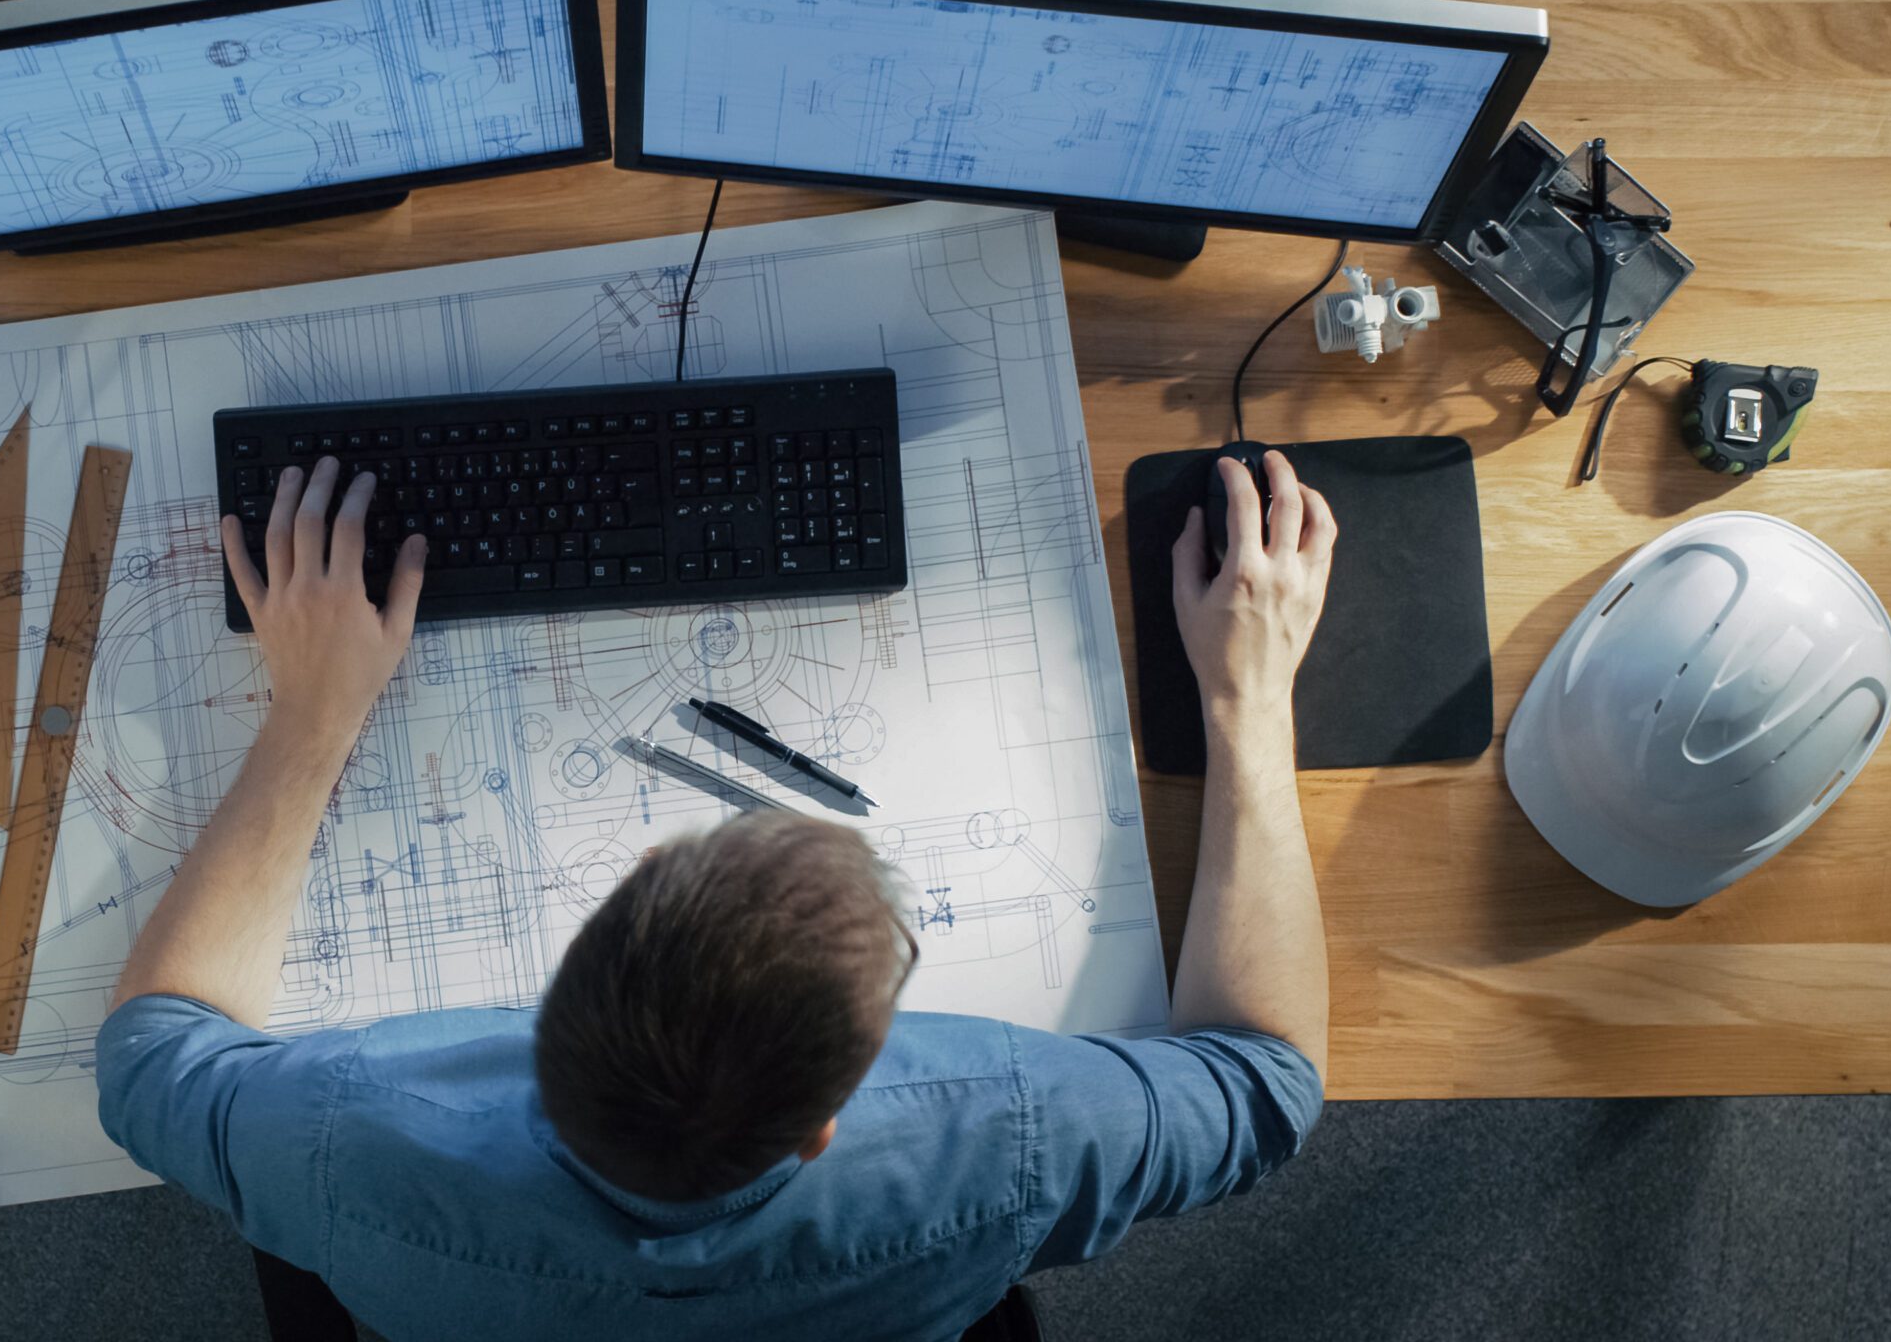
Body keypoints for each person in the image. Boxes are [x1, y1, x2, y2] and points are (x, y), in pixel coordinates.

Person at [99, 449, 1336, 1341]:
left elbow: (150, 1055)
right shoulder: (1003, 1140)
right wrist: (1247, 698)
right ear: (821, 1128)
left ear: (551, 1005)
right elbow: (1265, 1082)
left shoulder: (345, 1141)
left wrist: (315, 712)